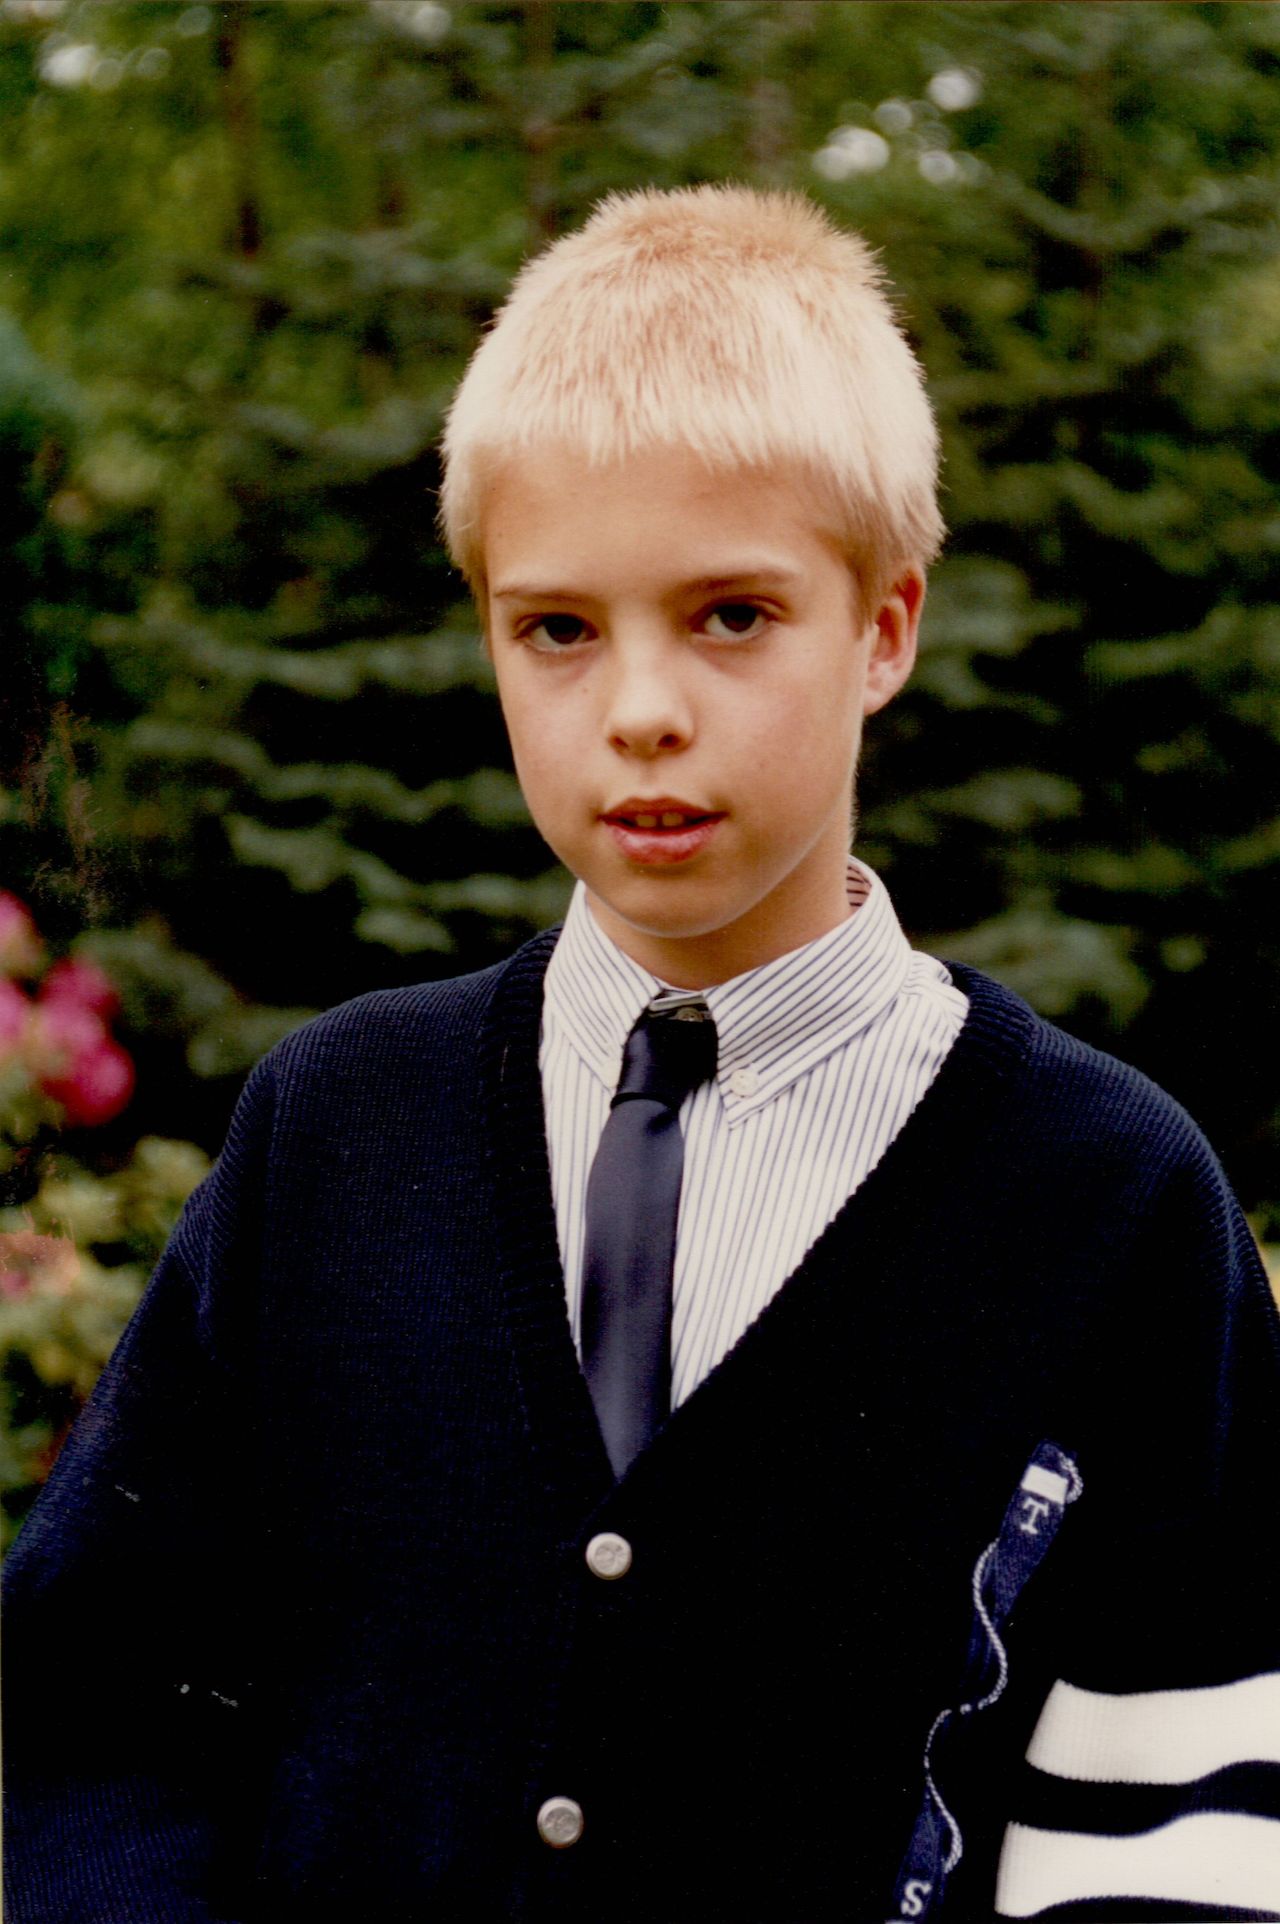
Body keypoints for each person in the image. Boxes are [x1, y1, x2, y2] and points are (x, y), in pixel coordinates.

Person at [5, 185, 1280, 1924]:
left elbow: (1185, 1822)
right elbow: (90, 1708)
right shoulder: (335, 1129)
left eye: (734, 616)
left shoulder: (1114, 1199)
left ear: (886, 625)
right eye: (558, 629)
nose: (641, 709)